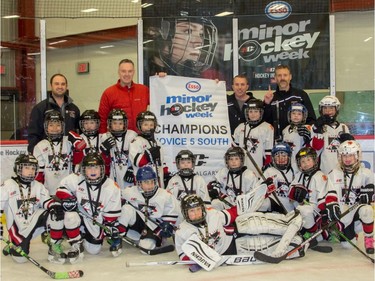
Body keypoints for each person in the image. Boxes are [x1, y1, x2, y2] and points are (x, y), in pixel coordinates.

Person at [175, 195, 304, 266]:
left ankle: (291, 221)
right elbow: (183, 256)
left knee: (256, 223)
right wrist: (199, 258)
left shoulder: (212, 214)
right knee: (264, 244)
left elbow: (232, 213)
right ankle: (296, 243)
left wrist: (247, 204)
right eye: (192, 211)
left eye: (198, 209)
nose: (196, 214)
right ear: (185, 213)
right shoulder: (182, 232)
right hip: (235, 249)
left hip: (233, 234)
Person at [52, 152, 126, 263]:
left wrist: (109, 230)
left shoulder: (111, 187)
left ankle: (82, 234)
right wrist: (70, 199)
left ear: (102, 169)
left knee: (93, 250)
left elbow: (111, 217)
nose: (92, 171)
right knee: (69, 215)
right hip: (80, 215)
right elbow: (60, 190)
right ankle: (75, 244)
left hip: (96, 220)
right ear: (83, 170)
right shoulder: (77, 179)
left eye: (96, 168)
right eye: (89, 168)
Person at [0, 154, 62, 263]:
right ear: (18, 168)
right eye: (27, 167)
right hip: (18, 229)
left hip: (33, 223)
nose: (31, 171)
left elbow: (47, 201)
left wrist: (54, 206)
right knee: (20, 259)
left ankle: (54, 246)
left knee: (56, 213)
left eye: (33, 168)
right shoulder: (8, 185)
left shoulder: (38, 186)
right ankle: (13, 243)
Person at [327, 140, 374, 254]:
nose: (347, 159)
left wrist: (369, 193)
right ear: (340, 157)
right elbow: (330, 192)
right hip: (344, 211)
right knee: (347, 246)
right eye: (344, 155)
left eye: (351, 155)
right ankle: (350, 231)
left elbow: (373, 188)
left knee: (367, 210)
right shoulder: (334, 173)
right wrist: (332, 205)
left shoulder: (366, 173)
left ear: (357, 155)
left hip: (358, 209)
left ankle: (369, 239)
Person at [119, 166, 180, 252]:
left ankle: (145, 238)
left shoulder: (165, 195)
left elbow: (173, 211)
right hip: (139, 222)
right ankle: (118, 235)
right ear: (139, 183)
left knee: (146, 248)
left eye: (152, 181)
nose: (150, 185)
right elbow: (115, 198)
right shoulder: (129, 192)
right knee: (127, 208)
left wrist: (168, 225)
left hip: (153, 227)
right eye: (146, 182)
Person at [145, 17, 220, 80]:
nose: (199, 41)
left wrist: (212, 86)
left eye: (201, 34)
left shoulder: (191, 72)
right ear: (163, 37)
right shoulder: (144, 73)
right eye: (188, 31)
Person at [28, 73, 80, 153]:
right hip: (47, 154)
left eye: (63, 84)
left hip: (69, 154)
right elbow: (33, 134)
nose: (60, 87)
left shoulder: (74, 109)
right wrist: (34, 154)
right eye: (56, 84)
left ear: (67, 86)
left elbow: (78, 133)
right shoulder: (40, 108)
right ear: (51, 86)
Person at [288, 147, 333, 239]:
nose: (306, 164)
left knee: (305, 210)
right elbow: (291, 191)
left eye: (308, 160)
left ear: (315, 161)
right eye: (303, 161)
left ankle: (313, 232)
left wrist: (324, 213)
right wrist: (295, 191)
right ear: (299, 164)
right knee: (292, 215)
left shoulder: (320, 176)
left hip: (316, 209)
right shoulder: (299, 176)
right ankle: (308, 230)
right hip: (303, 208)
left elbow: (323, 196)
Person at [263, 65, 316, 141]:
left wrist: (306, 131)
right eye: (279, 75)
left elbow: (311, 119)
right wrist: (266, 104)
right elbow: (266, 123)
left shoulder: (300, 95)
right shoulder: (271, 98)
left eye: (285, 75)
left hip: (299, 141)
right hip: (277, 143)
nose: (282, 78)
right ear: (275, 78)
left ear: (290, 77)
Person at [98, 59, 149, 133]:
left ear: (134, 72)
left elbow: (160, 101)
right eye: (123, 71)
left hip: (141, 138)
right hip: (118, 139)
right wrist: (103, 138)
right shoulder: (109, 93)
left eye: (130, 71)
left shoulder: (143, 90)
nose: (127, 74)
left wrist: (161, 80)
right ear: (118, 72)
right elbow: (102, 119)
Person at [33, 110, 75, 195]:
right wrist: (40, 193)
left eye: (58, 125)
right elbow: (39, 174)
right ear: (46, 127)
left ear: (63, 126)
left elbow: (78, 161)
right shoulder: (40, 146)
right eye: (51, 125)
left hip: (68, 191)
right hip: (48, 192)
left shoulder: (69, 141)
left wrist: (77, 144)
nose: (55, 128)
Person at [207, 147, 259, 211]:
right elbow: (214, 184)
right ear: (227, 161)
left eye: (236, 159)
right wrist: (213, 189)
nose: (233, 162)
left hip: (245, 205)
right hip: (227, 202)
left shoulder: (249, 174)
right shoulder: (223, 172)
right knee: (215, 203)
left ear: (241, 160)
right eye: (231, 159)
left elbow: (254, 192)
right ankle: (223, 219)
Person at [232, 99, 274, 177]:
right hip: (242, 168)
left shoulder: (267, 128)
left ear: (261, 112)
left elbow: (269, 152)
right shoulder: (240, 127)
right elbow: (234, 149)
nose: (253, 114)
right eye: (250, 111)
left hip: (258, 167)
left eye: (256, 111)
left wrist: (266, 167)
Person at [311, 95, 351, 174]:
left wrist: (350, 141)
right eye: (325, 108)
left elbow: (349, 151)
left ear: (337, 110)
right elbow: (316, 149)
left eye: (331, 108)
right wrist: (318, 131)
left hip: (342, 170)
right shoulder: (316, 127)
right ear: (321, 110)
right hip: (324, 171)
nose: (328, 111)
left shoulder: (343, 127)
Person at [129, 111, 168, 188]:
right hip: (143, 181)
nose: (149, 127)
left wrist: (166, 175)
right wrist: (148, 155)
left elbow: (162, 163)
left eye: (151, 125)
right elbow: (138, 162)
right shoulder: (136, 141)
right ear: (139, 125)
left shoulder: (157, 143)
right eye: (145, 124)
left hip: (158, 181)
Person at [100, 109, 138, 190]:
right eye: (114, 123)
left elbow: (136, 155)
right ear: (110, 123)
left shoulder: (132, 135)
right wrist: (104, 152)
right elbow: (102, 161)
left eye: (120, 123)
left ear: (125, 124)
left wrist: (132, 169)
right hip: (113, 173)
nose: (117, 126)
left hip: (127, 172)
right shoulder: (105, 136)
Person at [258, 142, 296, 213]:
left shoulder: (295, 171)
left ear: (289, 157)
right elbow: (258, 190)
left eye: (284, 156)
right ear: (273, 158)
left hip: (290, 210)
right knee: (261, 204)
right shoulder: (269, 171)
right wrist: (264, 186)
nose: (281, 159)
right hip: (274, 208)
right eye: (278, 157)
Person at [282, 103, 313, 171]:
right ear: (289, 115)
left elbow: (313, 148)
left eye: (299, 114)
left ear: (304, 116)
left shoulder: (308, 128)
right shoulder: (285, 130)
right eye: (293, 113)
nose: (296, 116)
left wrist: (308, 139)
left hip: (302, 163)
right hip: (287, 163)